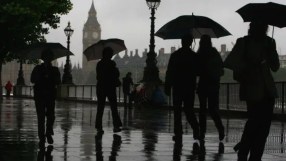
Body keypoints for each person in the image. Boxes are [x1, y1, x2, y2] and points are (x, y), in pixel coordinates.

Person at [229, 21, 280, 161]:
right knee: (260, 126)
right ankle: (251, 153)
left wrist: (270, 53)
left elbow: (275, 65)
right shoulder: (247, 43)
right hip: (263, 89)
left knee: (256, 124)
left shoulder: (266, 43)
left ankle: (246, 150)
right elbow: (275, 67)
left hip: (258, 90)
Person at [164, 34, 200, 144]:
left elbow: (169, 72)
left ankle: (178, 133)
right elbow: (198, 71)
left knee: (177, 111)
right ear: (190, 43)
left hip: (177, 87)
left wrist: (167, 86)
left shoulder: (175, 55)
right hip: (189, 87)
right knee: (189, 111)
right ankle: (196, 129)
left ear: (181, 41)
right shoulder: (193, 56)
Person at [196, 34, 225, 144]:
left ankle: (202, 133)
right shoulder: (214, 53)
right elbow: (221, 70)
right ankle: (220, 128)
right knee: (213, 110)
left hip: (203, 84)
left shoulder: (199, 54)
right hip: (213, 84)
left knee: (202, 110)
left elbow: (197, 71)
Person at [31, 48, 61, 149]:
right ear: (43, 58)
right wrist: (40, 76)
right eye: (46, 56)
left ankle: (48, 132)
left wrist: (51, 77)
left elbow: (58, 82)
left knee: (51, 116)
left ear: (52, 58)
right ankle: (41, 137)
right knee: (41, 117)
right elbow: (32, 79)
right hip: (39, 96)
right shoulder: (37, 68)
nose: (48, 58)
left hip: (50, 96)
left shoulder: (55, 70)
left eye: (50, 56)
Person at [95, 47, 122, 134]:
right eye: (110, 53)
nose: (111, 55)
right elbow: (116, 75)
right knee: (114, 107)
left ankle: (99, 127)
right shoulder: (112, 63)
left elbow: (98, 77)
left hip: (101, 87)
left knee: (100, 108)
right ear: (107, 54)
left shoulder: (99, 64)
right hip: (110, 87)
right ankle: (116, 126)